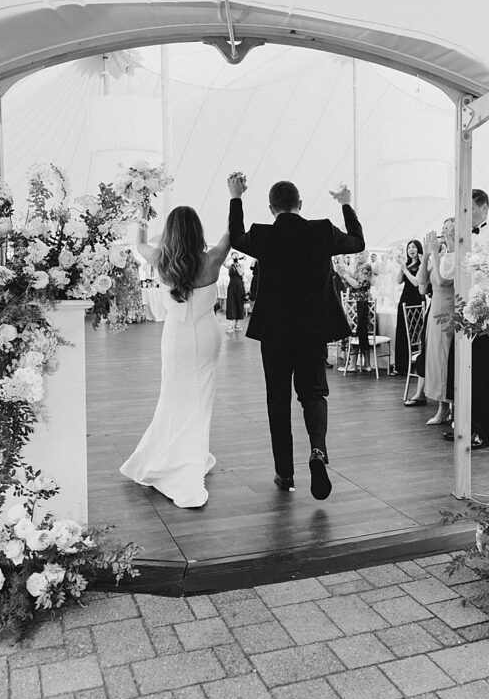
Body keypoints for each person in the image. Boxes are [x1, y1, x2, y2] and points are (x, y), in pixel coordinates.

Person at [228, 175, 364, 499]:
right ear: (300, 205)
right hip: (313, 330)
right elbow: (357, 242)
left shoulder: (263, 234)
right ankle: (317, 450)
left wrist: (236, 198)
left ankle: (285, 474)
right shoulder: (322, 230)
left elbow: (235, 236)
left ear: (272, 208)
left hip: (275, 333)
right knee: (314, 394)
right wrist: (345, 202)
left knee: (278, 400)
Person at [120, 205, 230, 508]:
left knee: (172, 397)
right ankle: (190, 454)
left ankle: (174, 454)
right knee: (201, 399)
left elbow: (140, 243)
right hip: (206, 336)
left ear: (170, 232)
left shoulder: (160, 259)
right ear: (197, 231)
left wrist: (142, 211)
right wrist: (235, 199)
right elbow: (233, 231)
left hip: (175, 338)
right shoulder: (212, 259)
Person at [443, 188, 489, 449]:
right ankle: (462, 425)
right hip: (462, 312)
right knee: (460, 372)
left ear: (483, 207)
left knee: (482, 375)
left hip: (487, 314)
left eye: (470, 209)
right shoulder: (460, 234)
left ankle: (482, 430)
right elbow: (448, 273)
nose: (466, 214)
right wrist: (450, 247)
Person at [420, 220, 455, 426]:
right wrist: (426, 256)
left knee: (445, 360)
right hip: (434, 311)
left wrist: (434, 252)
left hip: (449, 312)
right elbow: (423, 286)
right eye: (442, 229)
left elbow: (442, 280)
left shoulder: (456, 255)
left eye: (447, 229)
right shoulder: (439, 255)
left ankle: (451, 408)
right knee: (434, 360)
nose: (443, 232)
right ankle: (441, 408)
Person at [394, 239, 423, 376]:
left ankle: (414, 365)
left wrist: (405, 269)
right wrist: (402, 267)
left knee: (413, 332)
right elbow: (398, 281)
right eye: (409, 248)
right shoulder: (406, 264)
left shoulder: (421, 264)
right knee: (401, 331)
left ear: (419, 249)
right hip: (404, 299)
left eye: (414, 247)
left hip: (416, 299)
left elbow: (416, 282)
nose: (411, 250)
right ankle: (401, 365)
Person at [225, 254, 246, 332]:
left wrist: (237, 265)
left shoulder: (241, 265)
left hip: (239, 286)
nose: (235, 257)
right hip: (231, 286)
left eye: (236, 256)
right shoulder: (230, 266)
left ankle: (237, 325)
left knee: (239, 304)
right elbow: (223, 263)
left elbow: (240, 273)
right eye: (234, 256)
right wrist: (230, 258)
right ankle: (230, 326)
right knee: (231, 304)